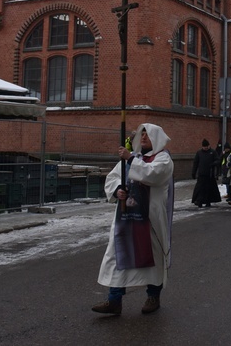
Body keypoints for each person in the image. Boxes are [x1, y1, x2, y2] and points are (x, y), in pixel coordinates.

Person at [92, 124, 174, 316]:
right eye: (142, 133)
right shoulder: (132, 158)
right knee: (119, 255)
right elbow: (113, 178)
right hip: (126, 218)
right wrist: (117, 190)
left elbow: (152, 175)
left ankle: (153, 296)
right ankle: (114, 300)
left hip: (150, 220)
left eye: (148, 134)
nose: (144, 137)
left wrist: (130, 159)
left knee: (152, 257)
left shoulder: (163, 158)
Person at [191, 139, 220, 208]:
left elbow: (218, 160)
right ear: (202, 146)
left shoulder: (213, 152)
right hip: (201, 174)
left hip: (210, 174)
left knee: (209, 189)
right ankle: (199, 201)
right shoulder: (199, 153)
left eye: (207, 146)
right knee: (200, 189)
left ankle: (208, 202)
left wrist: (214, 164)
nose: (206, 148)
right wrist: (193, 172)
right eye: (204, 147)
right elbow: (196, 163)